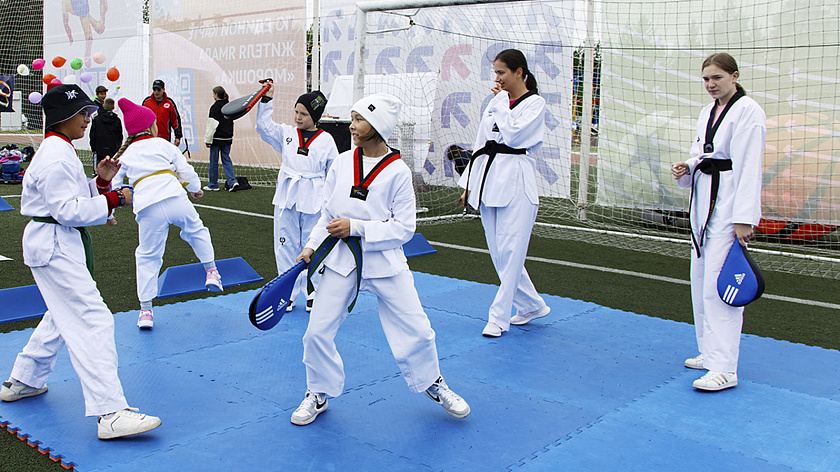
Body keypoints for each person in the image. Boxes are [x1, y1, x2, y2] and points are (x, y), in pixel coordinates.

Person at [290, 93, 470, 426]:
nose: (352, 126)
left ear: (378, 126)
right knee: (315, 333)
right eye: (353, 118)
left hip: (386, 263)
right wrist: (311, 246)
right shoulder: (343, 162)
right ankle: (318, 392)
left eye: (359, 120)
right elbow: (327, 213)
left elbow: (404, 228)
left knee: (419, 329)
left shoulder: (398, 172)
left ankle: (434, 383)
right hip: (342, 262)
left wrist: (355, 227)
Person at [0, 84, 161, 440]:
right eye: (83, 115)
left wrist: (99, 184)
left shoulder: (60, 150)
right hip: (55, 242)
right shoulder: (56, 155)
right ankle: (110, 412)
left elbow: (69, 197)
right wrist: (114, 198)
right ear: (63, 118)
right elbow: (67, 210)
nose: (88, 119)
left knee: (61, 314)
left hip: (54, 241)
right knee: (93, 319)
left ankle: (25, 379)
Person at [672, 52, 765, 392]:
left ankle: (726, 368)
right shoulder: (706, 112)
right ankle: (709, 352)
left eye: (717, 78)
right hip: (704, 202)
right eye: (706, 79)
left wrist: (744, 218)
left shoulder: (748, 111)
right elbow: (703, 152)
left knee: (719, 286)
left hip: (728, 207)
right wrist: (687, 166)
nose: (711, 85)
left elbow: (749, 166)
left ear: (734, 76)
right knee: (699, 279)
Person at [458, 48, 551, 338]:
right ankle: (532, 305)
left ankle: (498, 317)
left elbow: (511, 135)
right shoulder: (496, 103)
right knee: (499, 254)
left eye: (502, 72)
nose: (497, 78)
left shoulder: (535, 104)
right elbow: (481, 142)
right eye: (495, 73)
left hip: (517, 180)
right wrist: (468, 184)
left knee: (511, 253)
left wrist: (499, 101)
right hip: (488, 177)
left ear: (519, 72)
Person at [114, 98, 223, 330]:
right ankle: (211, 271)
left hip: (147, 206)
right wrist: (195, 189)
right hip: (174, 196)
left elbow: (113, 182)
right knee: (196, 230)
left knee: (148, 255)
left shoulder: (126, 154)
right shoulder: (164, 145)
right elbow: (186, 170)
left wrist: (110, 210)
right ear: (151, 126)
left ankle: (145, 310)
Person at [256, 84, 338, 312]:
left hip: (314, 199)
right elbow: (263, 127)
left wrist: (333, 201)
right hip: (287, 197)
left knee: (313, 245)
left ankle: (313, 292)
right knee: (285, 245)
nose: (298, 117)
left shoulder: (326, 140)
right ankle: (287, 293)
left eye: (303, 113)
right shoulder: (287, 134)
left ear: (315, 116)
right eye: (296, 112)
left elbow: (334, 173)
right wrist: (266, 100)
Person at [203, 86, 237, 192]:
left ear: (216, 95)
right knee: (226, 159)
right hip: (227, 137)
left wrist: (208, 140)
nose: (213, 96)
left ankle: (213, 184)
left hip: (217, 138)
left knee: (213, 161)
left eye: (213, 94)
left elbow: (211, 125)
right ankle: (232, 182)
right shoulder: (229, 105)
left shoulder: (215, 107)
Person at [142, 79, 182, 148]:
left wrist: (178, 136)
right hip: (149, 138)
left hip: (164, 139)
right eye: (154, 89)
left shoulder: (169, 103)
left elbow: (175, 120)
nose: (156, 92)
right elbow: (141, 119)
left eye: (158, 89)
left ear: (163, 89)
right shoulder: (146, 102)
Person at [90, 98, 122, 171]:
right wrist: (118, 147)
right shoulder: (117, 120)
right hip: (112, 149)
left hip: (100, 149)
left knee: (98, 170)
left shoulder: (97, 119)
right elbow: (120, 135)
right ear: (113, 107)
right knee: (111, 170)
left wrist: (93, 147)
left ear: (103, 106)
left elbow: (92, 135)